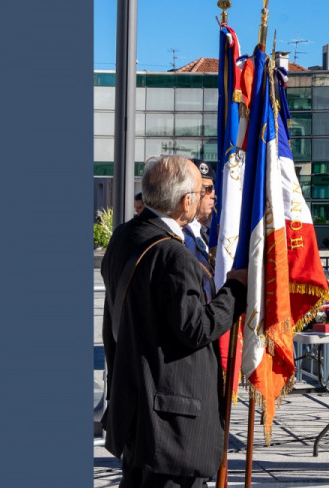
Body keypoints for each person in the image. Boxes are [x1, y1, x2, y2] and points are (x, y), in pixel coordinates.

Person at [101, 155, 247, 488]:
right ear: (186, 201)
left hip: (135, 409)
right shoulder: (174, 256)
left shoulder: (124, 236)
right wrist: (236, 289)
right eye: (200, 190)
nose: (204, 195)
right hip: (170, 424)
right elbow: (196, 328)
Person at [182, 160, 215, 267]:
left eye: (213, 188)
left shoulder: (210, 229)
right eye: (206, 189)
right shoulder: (183, 232)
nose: (213, 195)